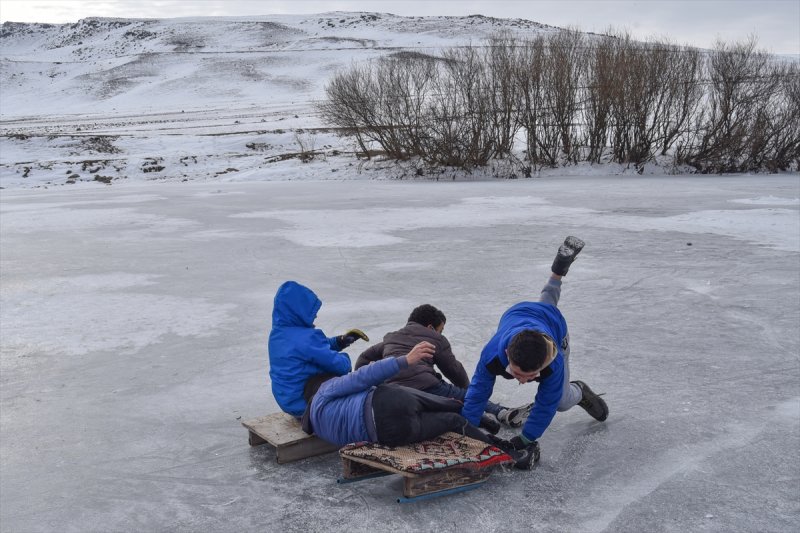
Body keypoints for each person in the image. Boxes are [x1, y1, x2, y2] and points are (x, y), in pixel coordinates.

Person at [461, 236, 609, 468]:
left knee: (560, 401)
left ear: (544, 364)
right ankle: (557, 271)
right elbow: (478, 391)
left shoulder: (554, 362)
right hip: (519, 314)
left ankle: (579, 391)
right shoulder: (492, 354)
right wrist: (466, 430)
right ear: (508, 353)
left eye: (530, 377)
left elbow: (546, 404)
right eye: (518, 373)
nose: (522, 382)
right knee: (546, 304)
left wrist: (525, 438)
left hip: (554, 327)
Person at [301, 341, 535, 468]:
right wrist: (404, 360)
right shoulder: (326, 390)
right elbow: (362, 377)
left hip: (389, 433)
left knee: (453, 422)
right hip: (386, 402)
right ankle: (483, 419)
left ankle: (509, 454)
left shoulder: (318, 427)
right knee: (446, 404)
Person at [355, 304, 530, 432]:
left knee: (444, 404)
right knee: (470, 397)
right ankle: (502, 413)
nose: (441, 334)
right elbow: (453, 370)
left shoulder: (390, 338)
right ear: (431, 327)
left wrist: (366, 384)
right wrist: (468, 390)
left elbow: (364, 357)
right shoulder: (434, 338)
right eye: (441, 329)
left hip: (394, 393)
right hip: (427, 386)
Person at [268, 280, 369, 417]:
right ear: (299, 311)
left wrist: (339, 341)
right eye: (311, 312)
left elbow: (313, 348)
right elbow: (340, 366)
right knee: (352, 385)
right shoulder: (307, 338)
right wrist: (346, 358)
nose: (315, 315)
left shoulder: (278, 334)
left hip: (287, 400)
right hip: (305, 402)